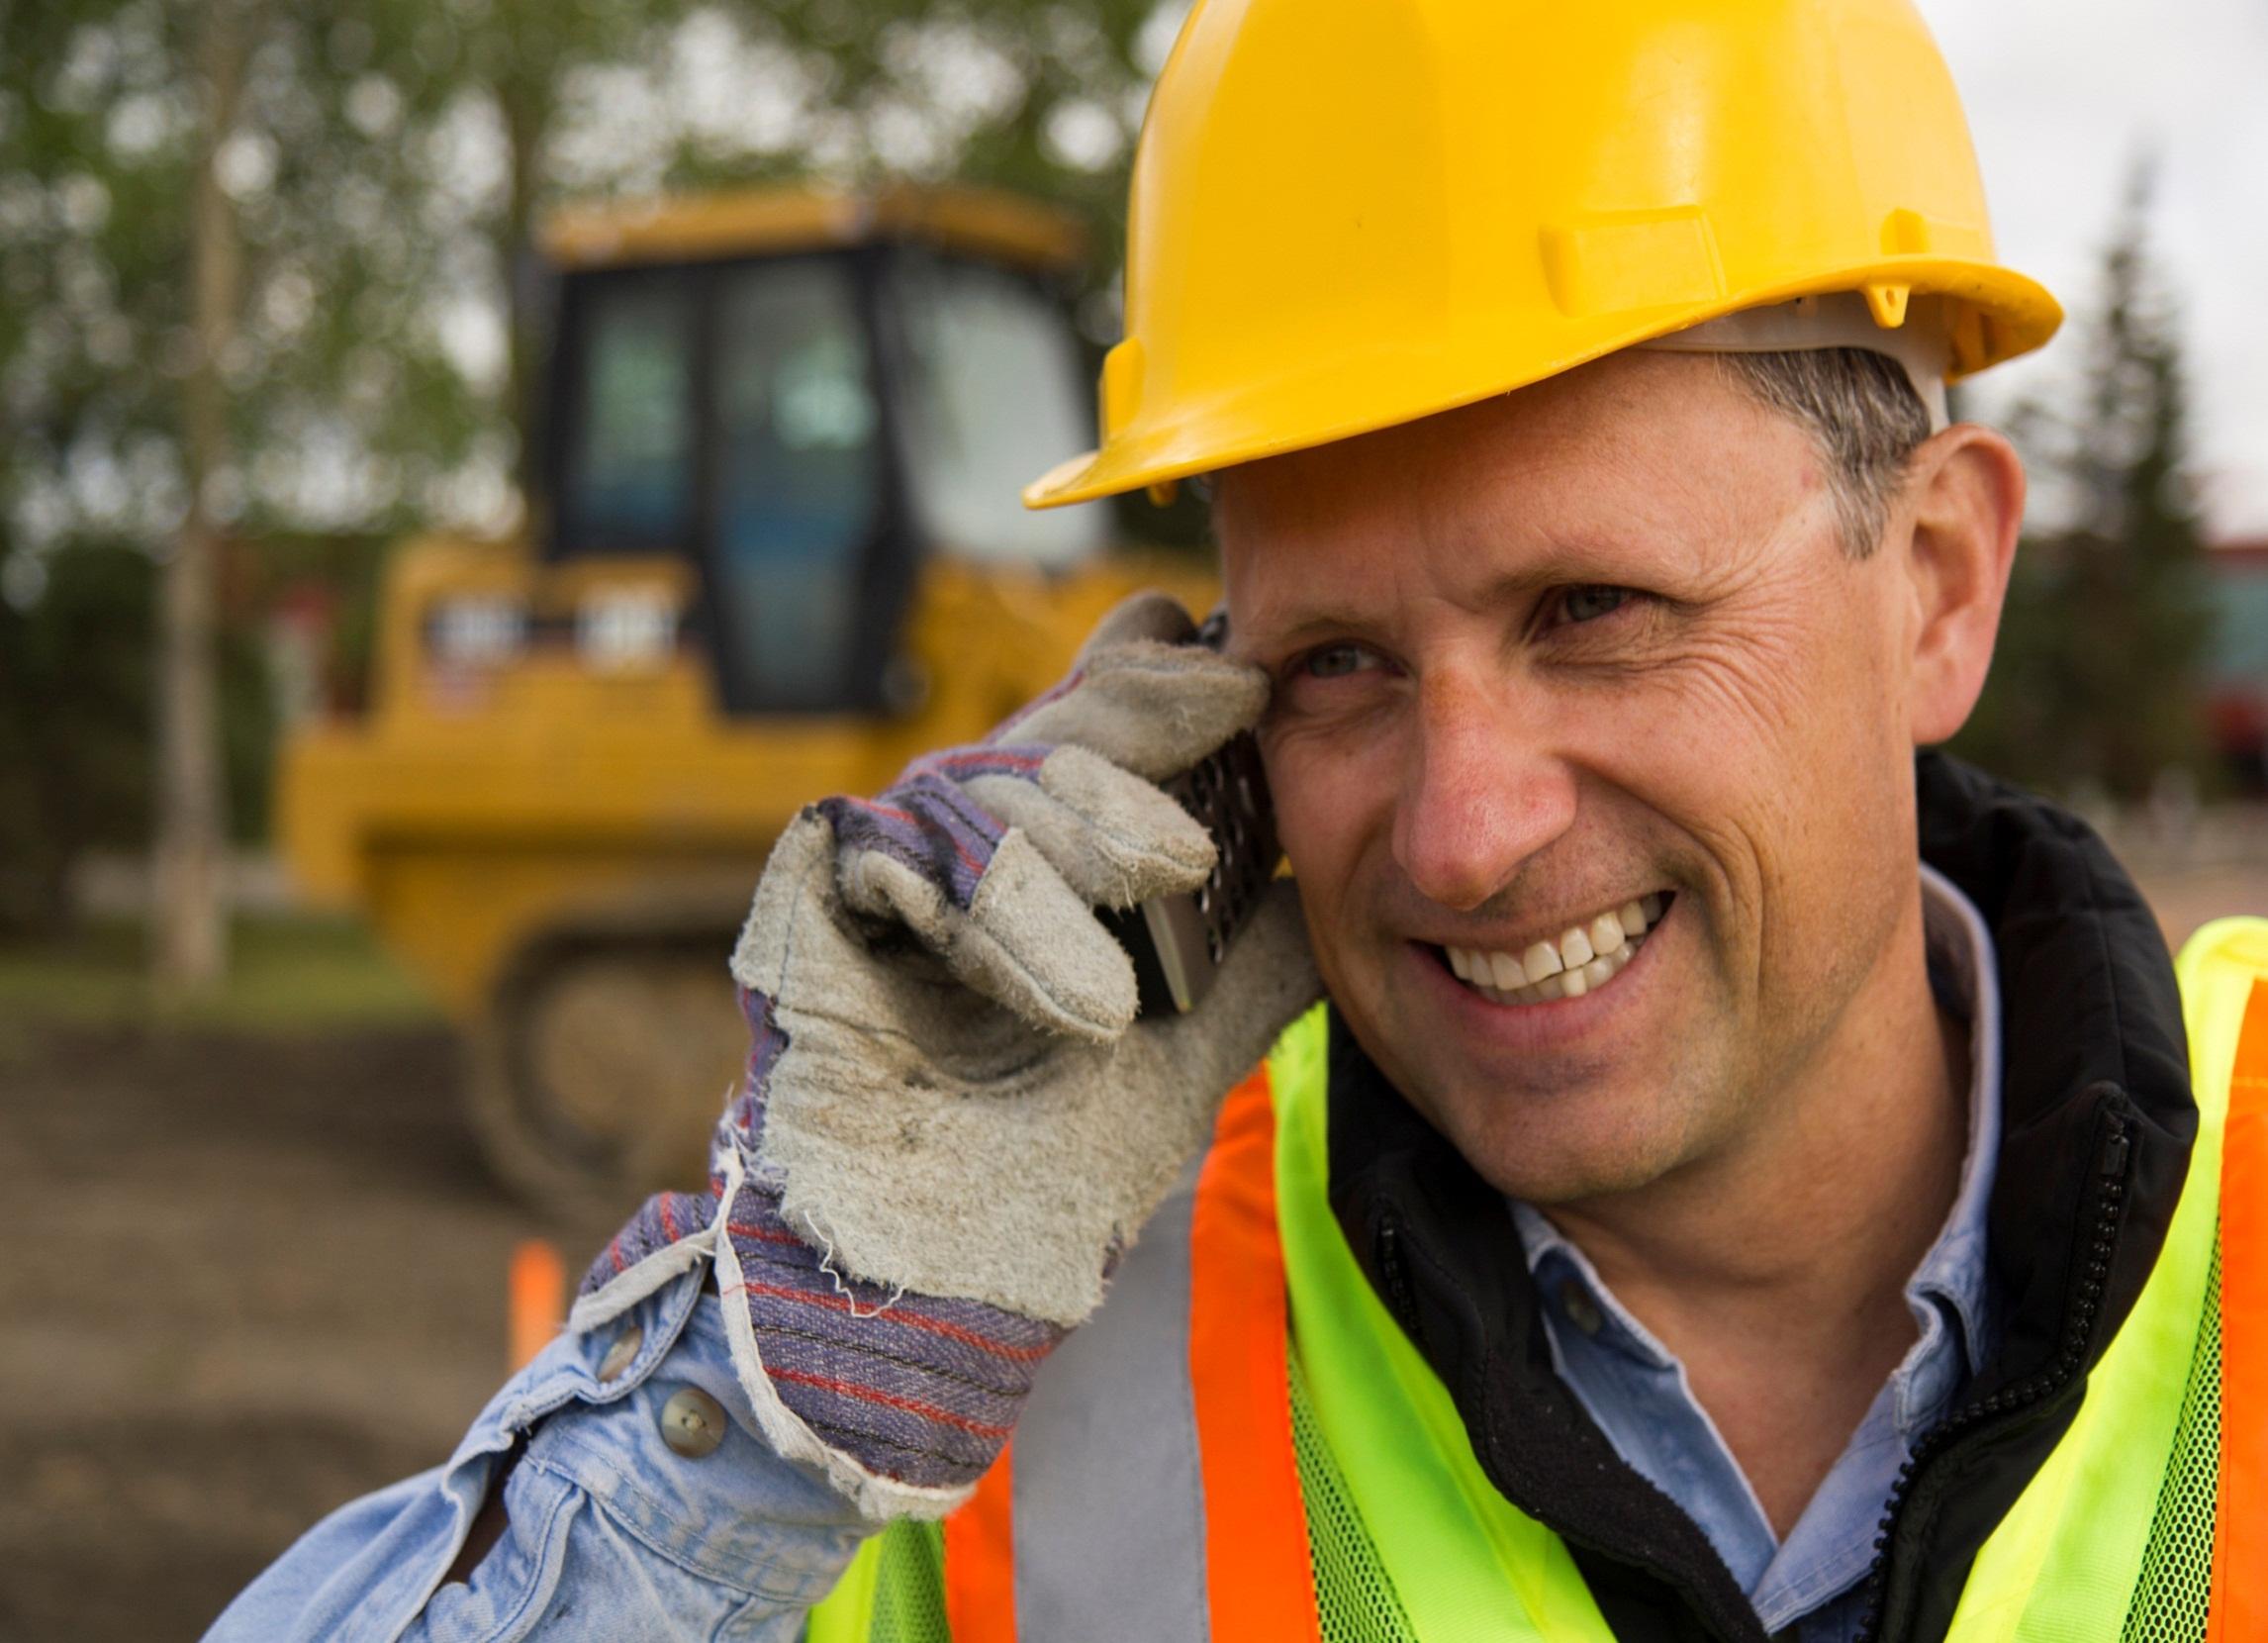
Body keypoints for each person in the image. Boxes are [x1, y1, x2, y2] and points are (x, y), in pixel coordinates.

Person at [211, 1, 2266, 1639]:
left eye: (1597, 613)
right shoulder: (1014, 1381)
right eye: (1336, 666)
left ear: (1936, 586)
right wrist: (761, 1411)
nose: (1458, 833)